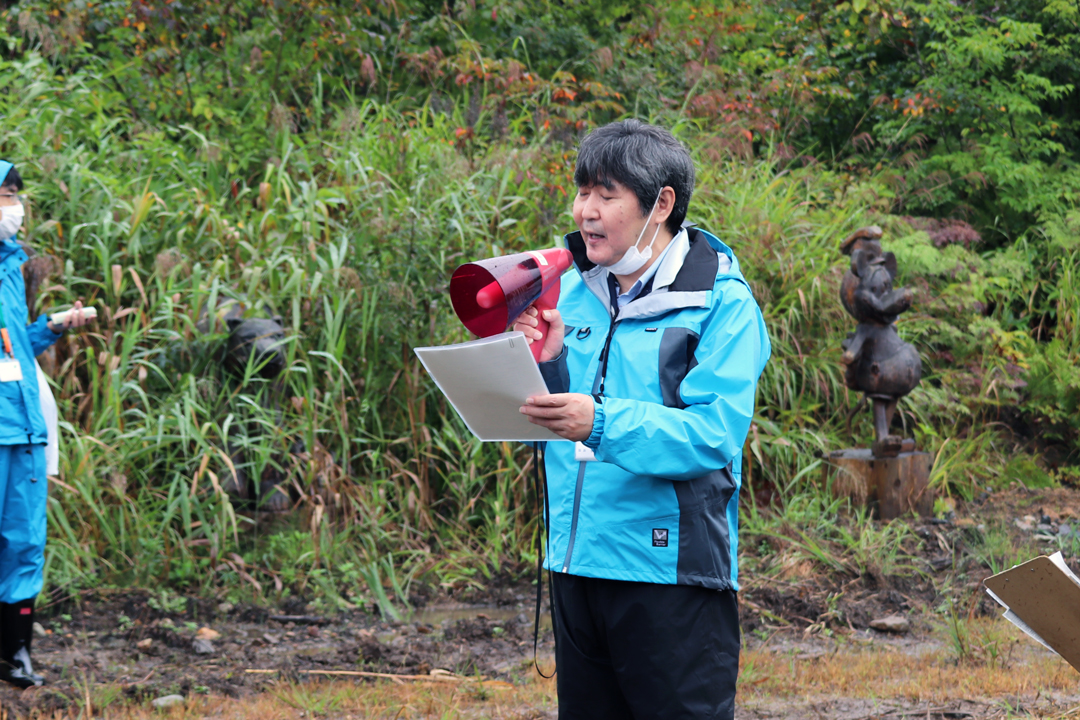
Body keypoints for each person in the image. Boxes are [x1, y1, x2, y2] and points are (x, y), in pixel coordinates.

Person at [514, 120, 771, 719]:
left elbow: (713, 436)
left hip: (670, 573)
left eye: (607, 196)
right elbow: (558, 416)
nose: (586, 211)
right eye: (582, 192)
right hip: (576, 563)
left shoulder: (721, 303)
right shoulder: (569, 292)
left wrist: (599, 422)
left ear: (661, 204)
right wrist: (546, 364)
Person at [0, 160, 90, 688]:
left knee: (25, 541)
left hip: (26, 427)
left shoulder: (14, 265)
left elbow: (17, 348)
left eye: (14, 194)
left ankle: (15, 655)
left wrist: (53, 326)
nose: (14, 206)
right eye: (5, 195)